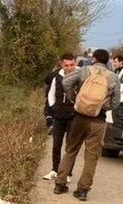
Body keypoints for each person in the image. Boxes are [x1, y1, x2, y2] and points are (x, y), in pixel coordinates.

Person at [53, 49, 121, 201]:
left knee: (71, 150)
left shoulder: (84, 71)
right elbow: (116, 102)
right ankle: (83, 190)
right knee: (91, 157)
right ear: (107, 61)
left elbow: (65, 82)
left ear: (94, 59)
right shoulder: (113, 77)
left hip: (79, 118)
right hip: (98, 121)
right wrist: (101, 106)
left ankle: (60, 184)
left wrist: (74, 99)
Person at [42, 53, 77, 181]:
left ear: (75, 63)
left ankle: (67, 173)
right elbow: (50, 95)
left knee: (70, 146)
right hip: (58, 116)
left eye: (72, 64)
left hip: (73, 117)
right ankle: (55, 170)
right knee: (56, 145)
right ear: (62, 64)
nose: (69, 67)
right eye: (66, 65)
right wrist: (53, 108)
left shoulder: (79, 77)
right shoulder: (56, 77)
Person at [43, 63, 60, 135]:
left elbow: (46, 80)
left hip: (51, 94)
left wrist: (53, 72)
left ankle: (51, 125)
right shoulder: (68, 74)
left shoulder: (54, 73)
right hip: (60, 96)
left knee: (48, 110)